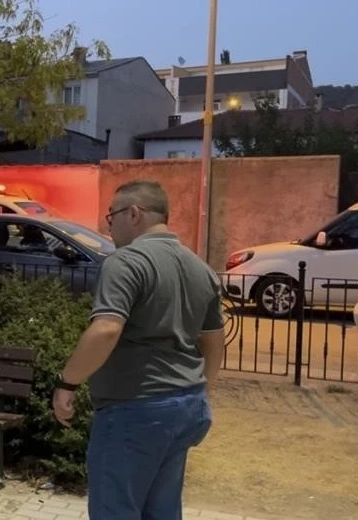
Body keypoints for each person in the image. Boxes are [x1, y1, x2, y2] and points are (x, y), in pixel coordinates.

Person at [51, 180, 225, 520]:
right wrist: (203, 390)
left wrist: (67, 383)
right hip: (186, 405)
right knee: (162, 511)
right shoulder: (200, 268)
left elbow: (106, 329)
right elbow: (214, 341)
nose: (108, 226)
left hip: (134, 410)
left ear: (134, 214)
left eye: (111, 216)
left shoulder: (125, 262)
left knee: (115, 510)